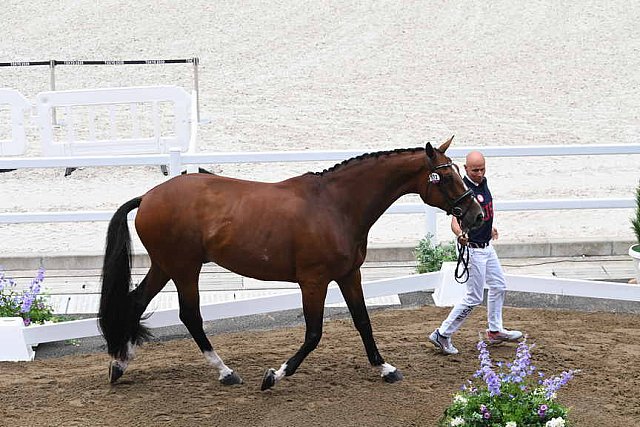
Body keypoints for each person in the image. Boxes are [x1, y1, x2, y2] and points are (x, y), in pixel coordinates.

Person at [429, 151, 523, 355]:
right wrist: (460, 233)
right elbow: (454, 219)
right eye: (475, 170)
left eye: (482, 169)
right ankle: (442, 333)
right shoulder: (462, 189)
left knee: (499, 285)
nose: (479, 174)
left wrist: (490, 226)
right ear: (465, 169)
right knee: (473, 297)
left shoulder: (483, 184)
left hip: (486, 245)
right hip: (472, 249)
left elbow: (482, 210)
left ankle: (495, 330)